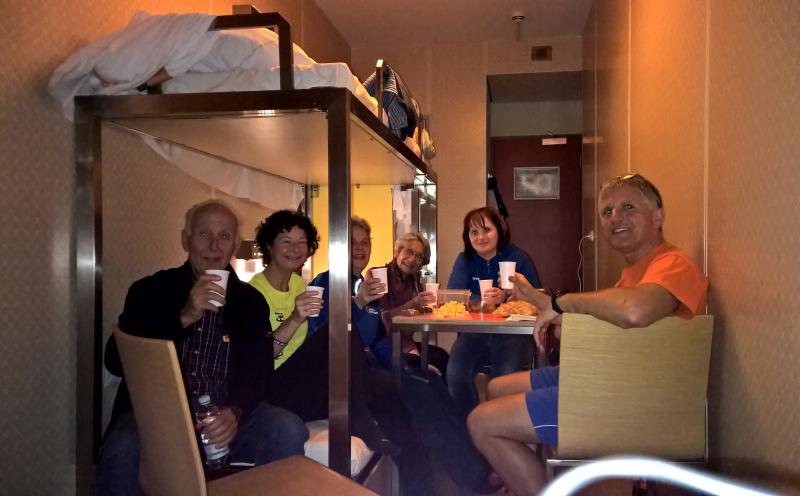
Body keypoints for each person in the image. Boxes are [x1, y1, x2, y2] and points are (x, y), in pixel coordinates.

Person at [467, 174, 709, 495]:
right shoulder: (635, 272)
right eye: (607, 212)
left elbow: (634, 311)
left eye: (627, 207)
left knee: (481, 422)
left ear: (657, 217)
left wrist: (562, 302)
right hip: (611, 378)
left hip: (624, 401)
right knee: (496, 387)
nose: (615, 218)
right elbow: (601, 332)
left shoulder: (673, 264)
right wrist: (539, 302)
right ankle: (523, 477)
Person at [95, 200, 308, 496]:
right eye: (204, 234)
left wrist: (235, 410)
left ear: (235, 245)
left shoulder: (249, 300)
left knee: (287, 428)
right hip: (157, 414)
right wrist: (183, 317)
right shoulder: (151, 290)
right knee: (120, 449)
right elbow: (115, 360)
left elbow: (258, 370)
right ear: (186, 239)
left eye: (224, 236)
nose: (213, 246)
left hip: (224, 408)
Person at [247, 210, 392, 452]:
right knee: (339, 332)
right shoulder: (253, 294)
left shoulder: (299, 285)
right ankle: (361, 420)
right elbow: (255, 362)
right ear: (269, 246)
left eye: (301, 242)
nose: (295, 249)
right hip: (273, 390)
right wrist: (295, 318)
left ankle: (410, 464)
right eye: (287, 242)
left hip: (306, 384)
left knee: (390, 385)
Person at [446, 206, 542, 414]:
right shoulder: (465, 260)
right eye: (474, 232)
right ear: (468, 237)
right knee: (455, 374)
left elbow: (538, 298)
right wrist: (481, 301)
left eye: (486, 230)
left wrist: (506, 297)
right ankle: (470, 422)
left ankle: (498, 424)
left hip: (512, 334)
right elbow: (455, 295)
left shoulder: (518, 257)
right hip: (474, 332)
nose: (480, 237)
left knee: (503, 379)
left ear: (499, 230)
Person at [371, 232, 449, 374]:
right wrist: (413, 304)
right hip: (384, 346)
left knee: (442, 357)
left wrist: (435, 308)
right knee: (424, 369)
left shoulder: (415, 283)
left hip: (405, 343)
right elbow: (381, 321)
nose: (413, 259)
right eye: (409, 252)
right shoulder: (378, 275)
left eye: (419, 256)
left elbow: (419, 317)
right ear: (397, 252)